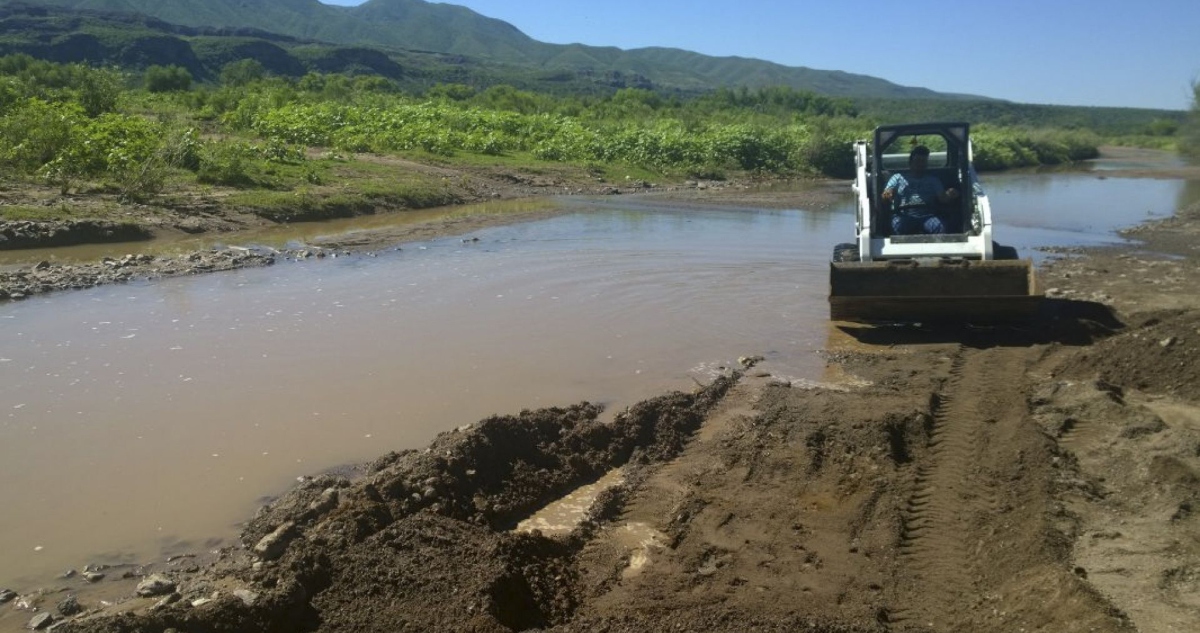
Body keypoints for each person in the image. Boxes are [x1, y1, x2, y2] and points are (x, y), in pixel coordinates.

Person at [881, 145, 959, 235]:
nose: (920, 164)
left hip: (928, 215)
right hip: (903, 214)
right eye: (917, 161)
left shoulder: (933, 180)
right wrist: (888, 194)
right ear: (910, 163)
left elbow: (943, 198)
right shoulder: (897, 178)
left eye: (923, 162)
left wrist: (950, 194)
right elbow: (886, 193)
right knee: (898, 225)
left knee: (940, 227)